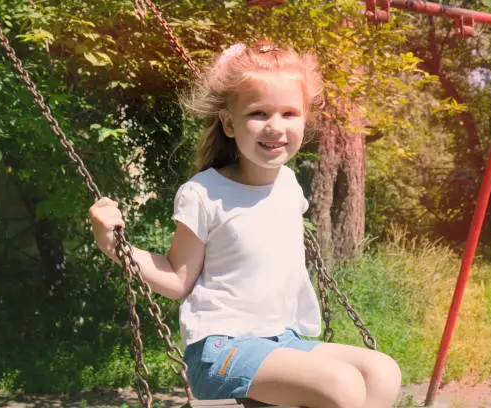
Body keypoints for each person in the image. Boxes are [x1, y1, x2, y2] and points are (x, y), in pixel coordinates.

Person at [89, 40, 402, 408]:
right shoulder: (204, 193)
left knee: (382, 372)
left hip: (284, 340)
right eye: (258, 113)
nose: (275, 127)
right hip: (222, 349)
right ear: (229, 123)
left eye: (289, 113)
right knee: (341, 385)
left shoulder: (288, 183)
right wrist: (114, 246)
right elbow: (177, 279)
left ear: (305, 119)